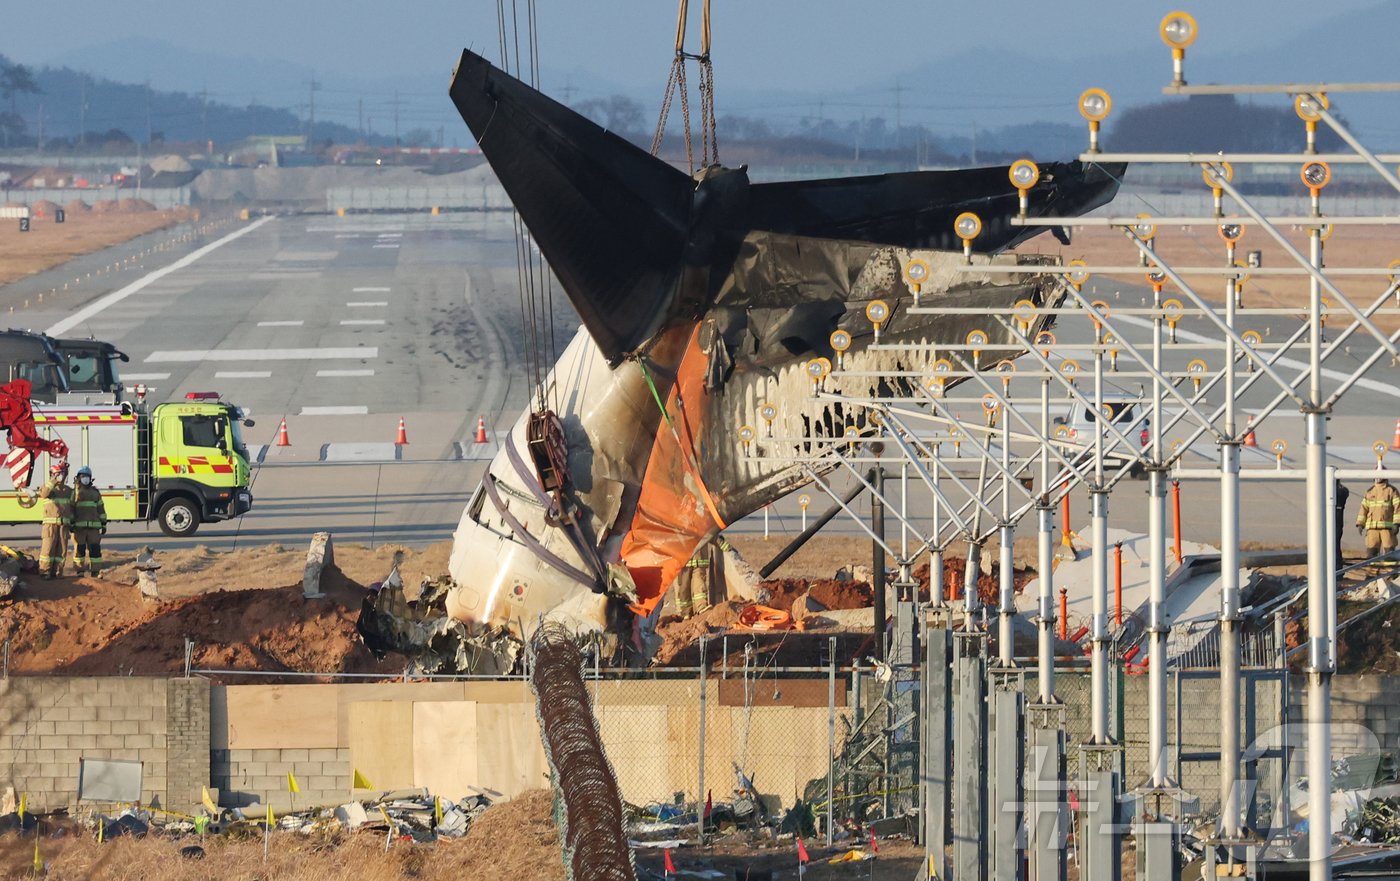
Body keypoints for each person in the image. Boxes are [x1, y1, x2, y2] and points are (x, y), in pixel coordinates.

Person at [37, 462, 73, 579]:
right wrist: (53, 480)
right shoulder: (48, 488)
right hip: (50, 526)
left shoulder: (68, 490)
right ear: (52, 475)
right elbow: (43, 494)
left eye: (61, 474)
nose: (60, 476)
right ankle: (45, 572)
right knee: (48, 548)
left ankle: (57, 571)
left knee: (61, 551)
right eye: (58, 474)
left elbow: (73, 507)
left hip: (64, 525)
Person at [70, 466, 107, 576]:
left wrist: (103, 523)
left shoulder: (95, 493)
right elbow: (71, 509)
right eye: (82, 476)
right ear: (78, 478)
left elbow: (101, 509)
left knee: (95, 550)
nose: (85, 479)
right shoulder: (75, 493)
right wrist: (71, 523)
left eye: (87, 476)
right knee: (79, 550)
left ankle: (95, 572)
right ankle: (79, 571)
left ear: (90, 478)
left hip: (93, 529)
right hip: (79, 528)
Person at [1356, 475, 1400, 564]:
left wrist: (1396, 523)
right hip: (1372, 529)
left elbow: (1398, 508)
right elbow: (1363, 509)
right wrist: (1360, 523)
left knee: (1389, 553)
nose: (1378, 478)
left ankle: (1391, 574)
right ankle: (1371, 574)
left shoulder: (1392, 490)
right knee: (1371, 552)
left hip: (1387, 528)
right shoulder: (1370, 491)